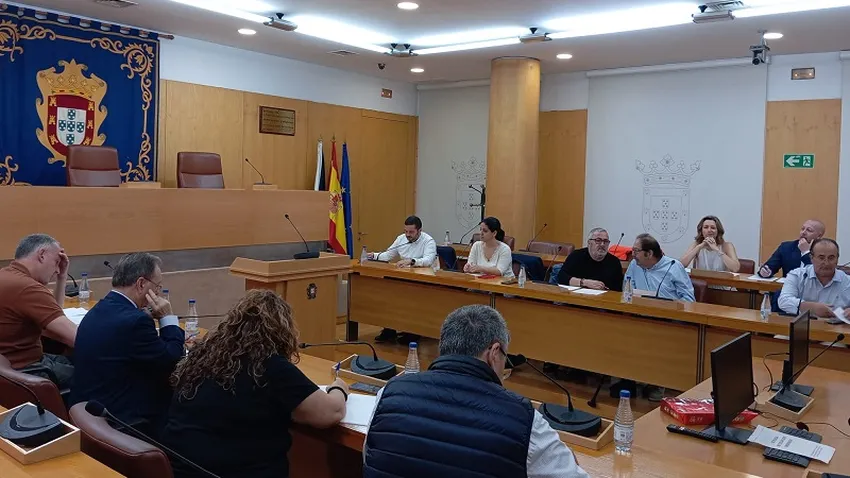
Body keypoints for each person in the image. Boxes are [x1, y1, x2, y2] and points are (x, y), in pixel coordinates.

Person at [364, 304, 589, 478]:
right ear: (494, 353)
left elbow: (369, 457)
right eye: (505, 358)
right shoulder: (524, 419)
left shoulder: (389, 392)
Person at [162, 289, 347, 478]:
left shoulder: (200, 356)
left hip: (183, 471)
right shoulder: (270, 366)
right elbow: (330, 413)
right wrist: (339, 387)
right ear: (281, 331)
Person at [71, 253, 185, 437]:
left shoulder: (99, 308)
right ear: (141, 284)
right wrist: (167, 318)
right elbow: (172, 359)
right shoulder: (136, 321)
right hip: (122, 416)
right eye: (157, 286)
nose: (158, 293)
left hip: (90, 407)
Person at [0, 234, 77, 388]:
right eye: (56, 262)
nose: (57, 270)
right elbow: (77, 337)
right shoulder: (28, 288)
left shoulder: (6, 275)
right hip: (27, 369)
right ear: (42, 255)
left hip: (8, 367)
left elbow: (53, 314)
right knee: (100, 376)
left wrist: (62, 277)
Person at [369, 215, 437, 344]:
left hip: (422, 281)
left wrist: (411, 261)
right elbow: (388, 255)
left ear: (419, 230)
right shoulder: (401, 239)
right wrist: (374, 256)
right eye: (406, 231)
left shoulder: (428, 241)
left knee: (411, 301)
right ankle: (389, 330)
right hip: (403, 278)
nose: (407, 235)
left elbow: (428, 260)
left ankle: (412, 332)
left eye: (411, 232)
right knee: (388, 296)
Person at [778, 239, 850, 318]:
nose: (826, 263)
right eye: (821, 258)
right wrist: (811, 307)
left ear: (837, 259)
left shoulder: (847, 281)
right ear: (811, 258)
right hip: (804, 324)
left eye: (831, 258)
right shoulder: (797, 275)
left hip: (836, 325)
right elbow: (783, 301)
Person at [626, 233, 695, 302]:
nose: (633, 254)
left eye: (636, 251)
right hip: (638, 307)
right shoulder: (634, 264)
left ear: (649, 253)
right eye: (633, 250)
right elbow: (627, 292)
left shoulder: (674, 267)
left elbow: (689, 300)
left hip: (668, 308)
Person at [557, 227, 624, 291]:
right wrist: (584, 282)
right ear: (589, 243)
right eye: (598, 240)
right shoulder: (576, 256)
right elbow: (561, 278)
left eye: (605, 241)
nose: (602, 244)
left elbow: (618, 289)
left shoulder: (614, 262)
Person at [759, 219, 825, 278]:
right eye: (802, 229)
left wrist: (806, 252)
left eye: (809, 230)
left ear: (819, 236)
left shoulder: (825, 250)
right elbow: (770, 266)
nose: (803, 232)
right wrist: (765, 271)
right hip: (789, 286)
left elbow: (819, 273)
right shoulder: (786, 247)